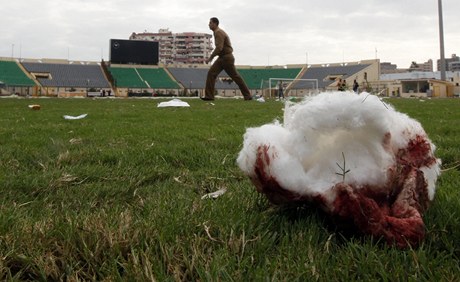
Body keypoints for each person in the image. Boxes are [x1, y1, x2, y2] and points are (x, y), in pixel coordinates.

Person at [202, 17, 252, 101]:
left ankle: (248, 95)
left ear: (215, 23)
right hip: (223, 57)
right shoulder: (217, 32)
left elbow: (219, 48)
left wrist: (210, 58)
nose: (209, 24)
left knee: (235, 76)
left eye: (210, 23)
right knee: (212, 73)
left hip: (226, 58)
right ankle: (209, 96)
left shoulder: (218, 33)